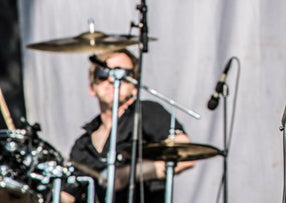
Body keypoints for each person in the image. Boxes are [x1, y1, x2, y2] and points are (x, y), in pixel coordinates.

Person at [63, 49, 194, 203]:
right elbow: (66, 196)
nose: (112, 80)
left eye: (122, 75)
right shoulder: (82, 145)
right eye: (103, 74)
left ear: (135, 87)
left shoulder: (145, 112)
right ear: (91, 88)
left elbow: (185, 154)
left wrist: (129, 173)